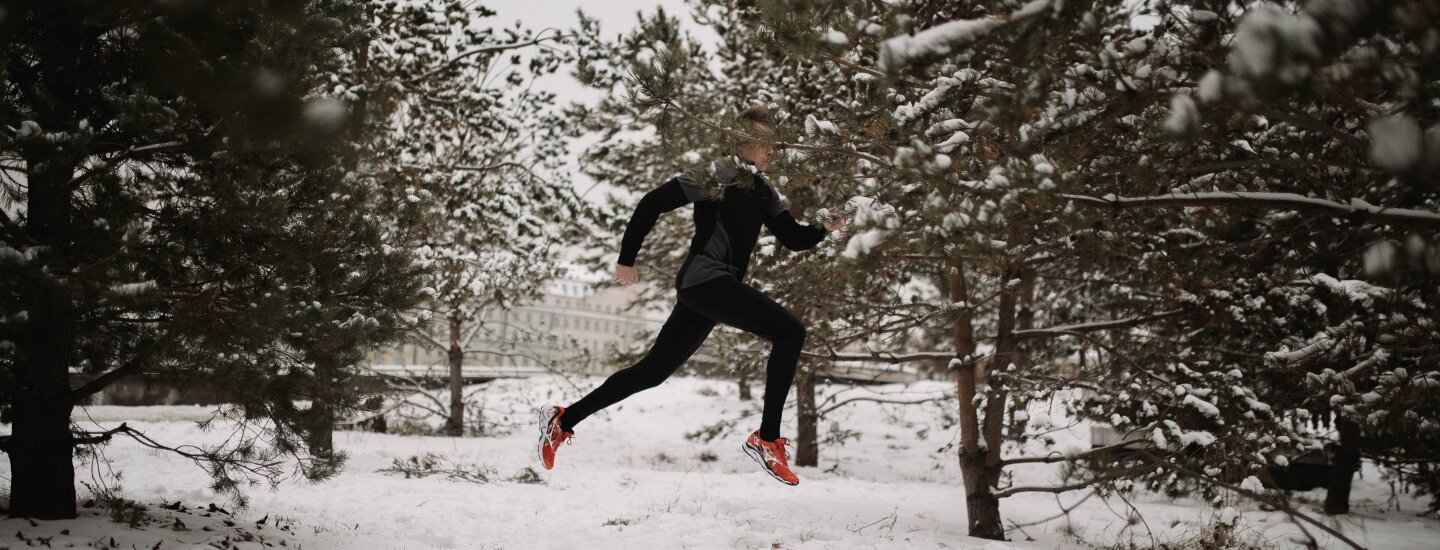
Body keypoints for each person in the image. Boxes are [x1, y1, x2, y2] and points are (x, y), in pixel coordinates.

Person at [537, 105, 846, 485]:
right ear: (741, 140)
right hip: (706, 280)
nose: (772, 151)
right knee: (790, 332)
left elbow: (793, 238)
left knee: (652, 372)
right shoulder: (716, 174)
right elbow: (652, 202)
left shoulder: (764, 191)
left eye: (774, 145)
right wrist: (626, 259)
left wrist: (824, 228)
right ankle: (766, 440)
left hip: (711, 289)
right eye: (765, 142)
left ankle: (562, 420)